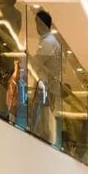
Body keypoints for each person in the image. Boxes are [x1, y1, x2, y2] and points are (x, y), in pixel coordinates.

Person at [30, 9, 62, 144]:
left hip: (45, 85)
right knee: (43, 115)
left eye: (37, 23)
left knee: (41, 116)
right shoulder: (49, 41)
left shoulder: (49, 42)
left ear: (43, 23)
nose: (36, 27)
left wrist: (27, 57)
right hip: (47, 84)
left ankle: (37, 136)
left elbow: (38, 62)